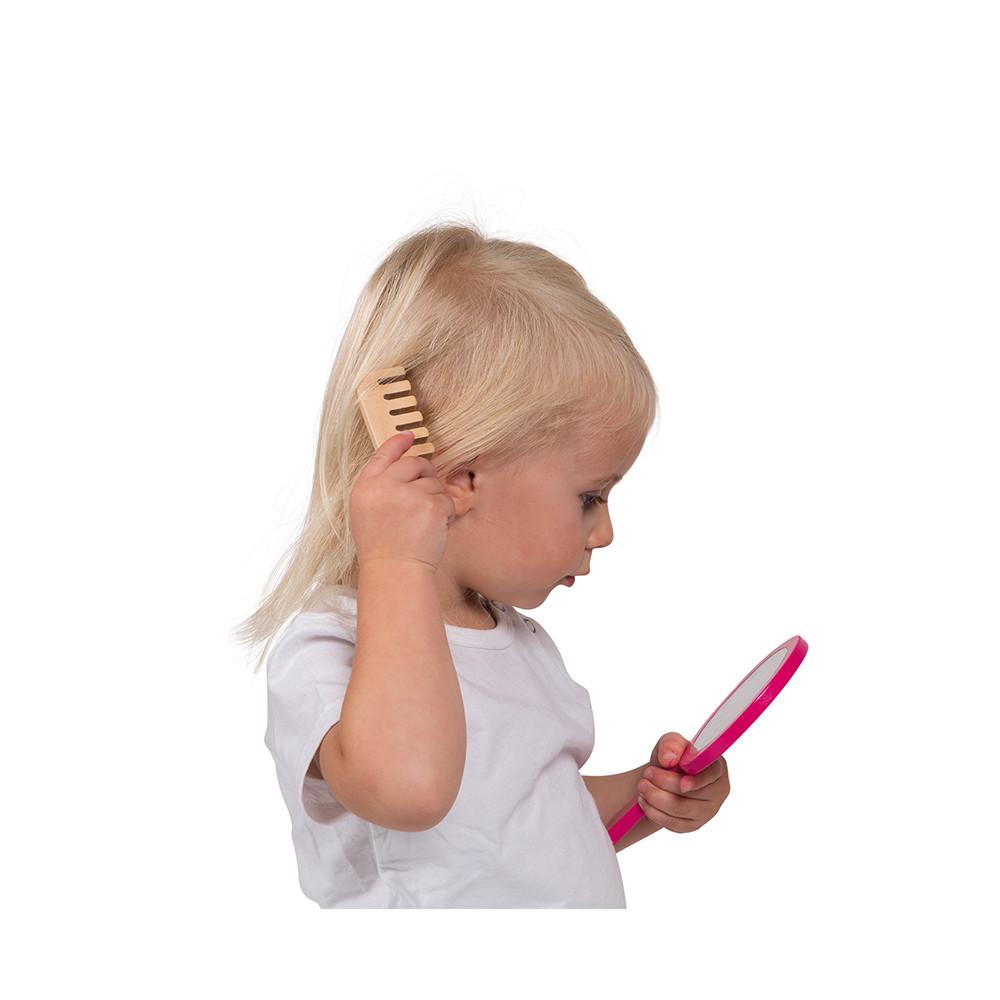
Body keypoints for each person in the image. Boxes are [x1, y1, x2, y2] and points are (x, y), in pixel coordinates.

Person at [232, 220, 731, 907]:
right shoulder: (329, 648)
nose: (604, 532)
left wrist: (648, 797)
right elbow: (411, 788)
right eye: (589, 497)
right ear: (459, 478)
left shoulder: (517, 643)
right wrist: (399, 560)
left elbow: (521, 827)